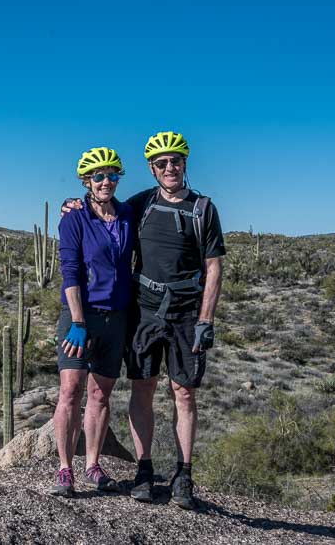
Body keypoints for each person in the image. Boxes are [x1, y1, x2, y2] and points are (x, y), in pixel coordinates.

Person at [62, 131, 225, 509]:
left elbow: (214, 267)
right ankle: (145, 469)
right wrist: (74, 204)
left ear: (185, 164)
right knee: (143, 388)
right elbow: (99, 209)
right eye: (162, 163)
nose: (170, 168)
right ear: (152, 169)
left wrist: (206, 318)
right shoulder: (140, 205)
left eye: (176, 161)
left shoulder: (203, 208)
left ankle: (184, 474)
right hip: (145, 310)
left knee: (183, 392)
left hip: (186, 312)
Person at [51, 146, 135, 497]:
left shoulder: (129, 213)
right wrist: (78, 320)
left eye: (112, 175)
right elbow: (70, 271)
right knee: (70, 390)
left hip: (115, 318)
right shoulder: (74, 218)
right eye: (98, 176)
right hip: (80, 318)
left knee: (101, 394)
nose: (105, 182)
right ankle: (65, 468)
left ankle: (93, 464)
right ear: (87, 180)